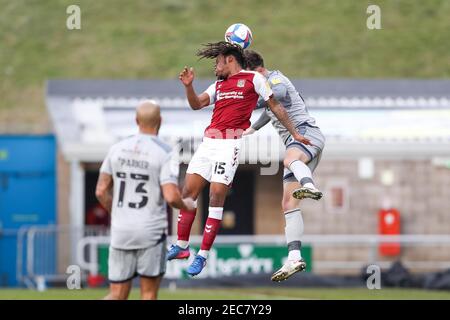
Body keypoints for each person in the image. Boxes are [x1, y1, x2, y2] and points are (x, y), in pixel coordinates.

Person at [167, 41, 311, 277]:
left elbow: (275, 107)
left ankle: (202, 255)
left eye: (218, 62)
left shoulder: (253, 80)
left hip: (229, 144)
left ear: (230, 60)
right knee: (187, 194)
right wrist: (189, 87)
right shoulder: (218, 84)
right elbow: (196, 104)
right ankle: (182, 247)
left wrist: (295, 133)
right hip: (208, 143)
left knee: (215, 195)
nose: (215, 67)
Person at [95, 101, 195, 300]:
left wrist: (116, 212)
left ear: (136, 120)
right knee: (148, 294)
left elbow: (100, 191)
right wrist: (187, 205)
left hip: (121, 230)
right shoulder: (165, 152)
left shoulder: (117, 148)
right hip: (150, 232)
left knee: (116, 294)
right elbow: (171, 196)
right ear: (160, 121)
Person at [243, 50, 326, 282]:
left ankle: (310, 186)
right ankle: (294, 257)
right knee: (288, 203)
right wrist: (252, 129)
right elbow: (271, 110)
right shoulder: (266, 87)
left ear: (257, 71)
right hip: (298, 142)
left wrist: (245, 100)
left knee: (289, 160)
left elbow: (275, 95)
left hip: (306, 135)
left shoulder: (275, 79)